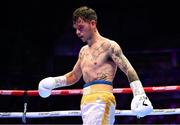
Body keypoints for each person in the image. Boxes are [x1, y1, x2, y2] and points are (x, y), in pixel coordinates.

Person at [38, 6, 153, 125]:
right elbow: (74, 76)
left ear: (92, 23)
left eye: (81, 27)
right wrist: (53, 82)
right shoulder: (83, 51)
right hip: (86, 101)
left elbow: (128, 68)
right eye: (76, 29)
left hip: (101, 100)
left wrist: (139, 94)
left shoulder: (109, 46)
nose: (77, 32)